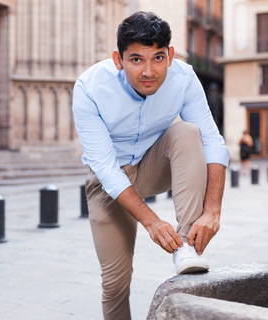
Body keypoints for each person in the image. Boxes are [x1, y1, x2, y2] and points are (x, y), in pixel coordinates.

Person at [72, 11, 230, 320]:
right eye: (136, 60)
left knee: (187, 132)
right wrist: (152, 221)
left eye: (158, 58)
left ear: (170, 55)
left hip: (152, 165)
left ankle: (185, 246)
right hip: (109, 183)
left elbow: (213, 143)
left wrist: (213, 210)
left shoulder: (184, 77)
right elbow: (106, 170)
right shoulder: (90, 88)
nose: (149, 71)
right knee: (115, 284)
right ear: (118, 59)